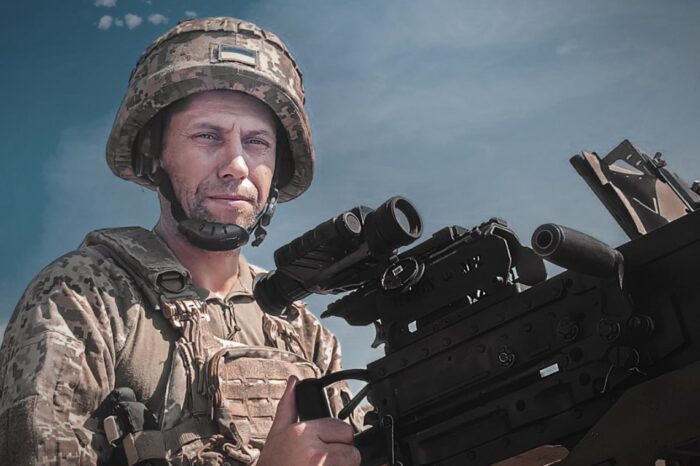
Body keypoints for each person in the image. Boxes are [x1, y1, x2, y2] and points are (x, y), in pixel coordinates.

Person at [0, 17, 360, 466]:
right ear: (155, 155)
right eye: (207, 136)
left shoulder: (302, 332)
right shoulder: (82, 299)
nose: (236, 165)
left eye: (257, 142)